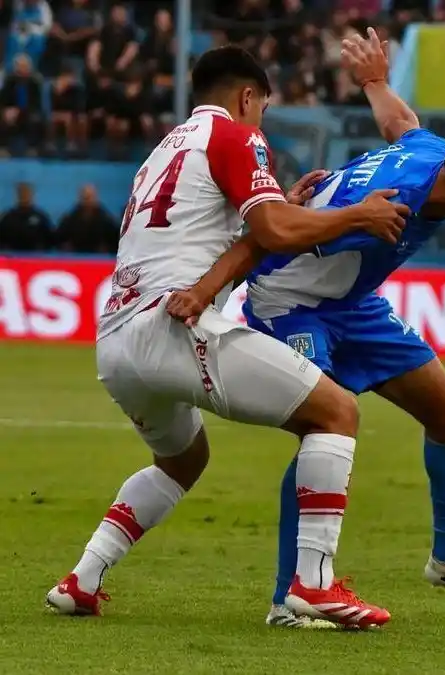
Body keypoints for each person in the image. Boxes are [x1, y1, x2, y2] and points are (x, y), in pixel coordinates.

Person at [169, 28, 445, 629]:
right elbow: (266, 237)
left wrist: (375, 83)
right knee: (325, 427)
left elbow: (402, 124)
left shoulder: (435, 154)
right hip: (293, 305)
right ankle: (292, 596)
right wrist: (208, 291)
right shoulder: (388, 208)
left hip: (353, 303)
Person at [45, 45, 409, 629]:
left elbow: (243, 235)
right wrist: (356, 216)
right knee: (336, 412)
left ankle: (81, 581)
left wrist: (277, 210)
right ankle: (312, 587)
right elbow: (273, 229)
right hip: (171, 326)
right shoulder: (237, 138)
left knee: (182, 460)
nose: (261, 121)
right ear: (247, 98)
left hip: (114, 338)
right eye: (262, 108)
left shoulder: (166, 149)